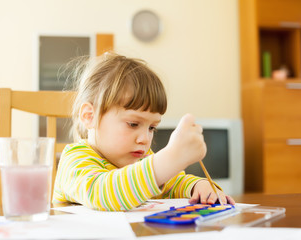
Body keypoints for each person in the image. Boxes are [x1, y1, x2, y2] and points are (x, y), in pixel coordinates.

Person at [52, 52, 235, 211]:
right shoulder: (74, 160)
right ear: (89, 116)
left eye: (152, 128)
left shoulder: (143, 158)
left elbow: (174, 183)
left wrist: (198, 185)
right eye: (133, 124)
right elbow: (102, 193)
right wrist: (169, 158)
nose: (144, 139)